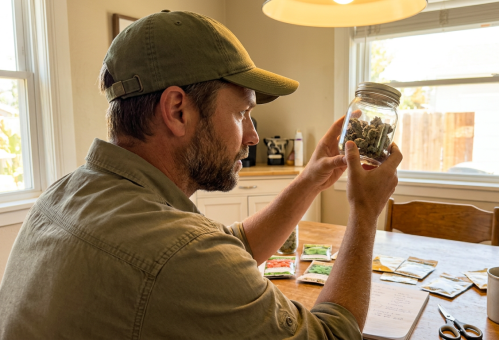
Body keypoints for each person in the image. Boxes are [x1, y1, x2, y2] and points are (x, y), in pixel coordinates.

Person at [0, 10, 402, 339]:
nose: (253, 136)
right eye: (242, 113)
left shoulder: (65, 193)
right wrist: (365, 214)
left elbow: (229, 247)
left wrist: (311, 178)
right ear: (178, 110)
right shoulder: (178, 256)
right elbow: (333, 335)